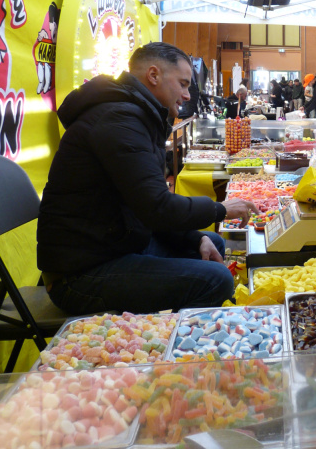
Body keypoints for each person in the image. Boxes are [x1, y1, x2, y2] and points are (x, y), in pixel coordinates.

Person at [37, 42, 258, 315]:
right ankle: (175, 348)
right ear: (153, 76)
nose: (188, 95)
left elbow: (143, 205)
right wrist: (220, 208)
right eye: (183, 84)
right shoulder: (119, 119)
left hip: (115, 242)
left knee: (211, 243)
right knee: (217, 279)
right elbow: (156, 207)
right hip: (80, 274)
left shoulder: (132, 114)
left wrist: (192, 237)